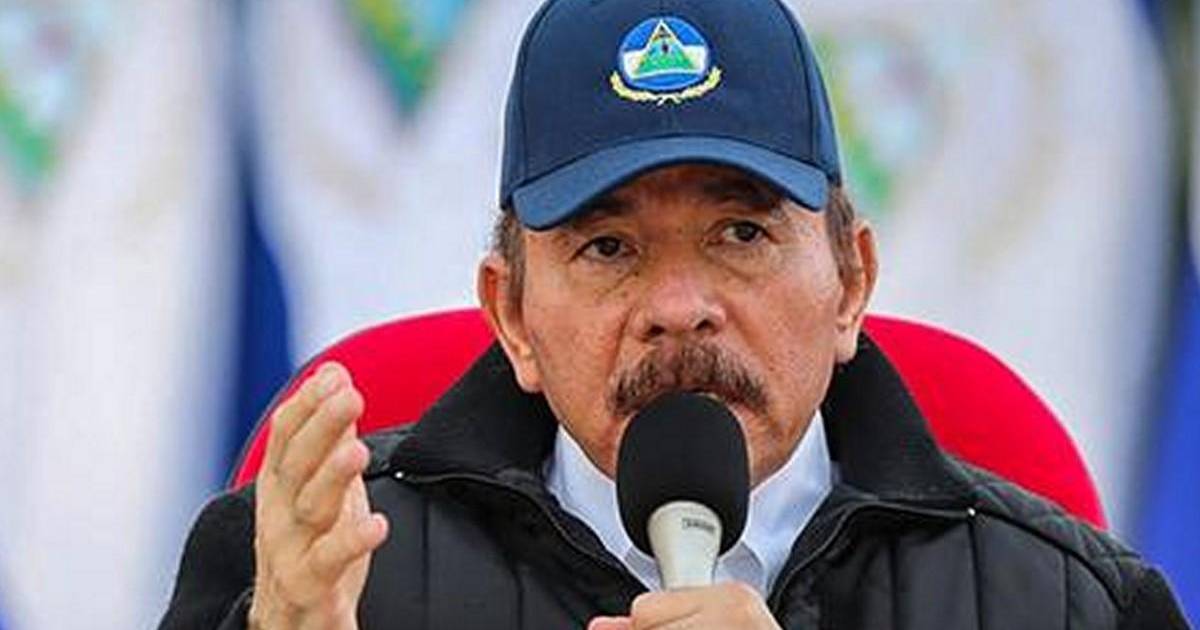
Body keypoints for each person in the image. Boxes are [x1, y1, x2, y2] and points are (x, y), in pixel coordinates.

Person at [160, 0, 1190, 628]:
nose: (680, 308)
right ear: (511, 315)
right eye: (609, 247)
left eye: (740, 233)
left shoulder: (1066, 603)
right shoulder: (302, 571)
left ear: (851, 283)